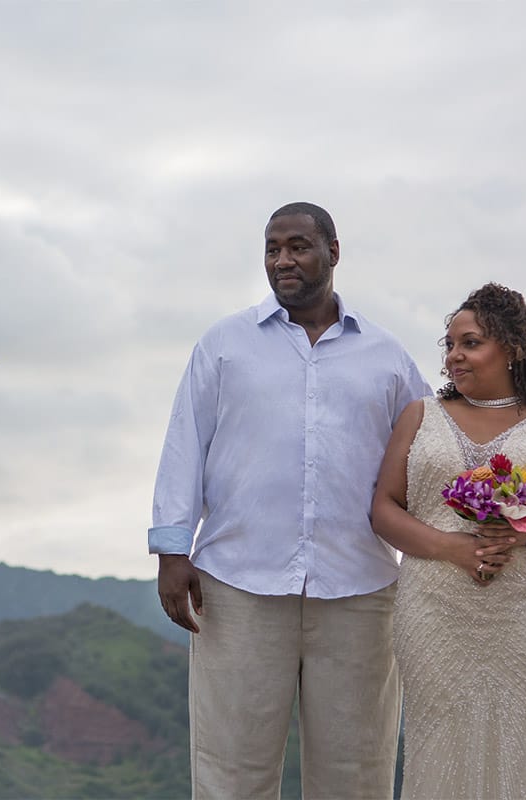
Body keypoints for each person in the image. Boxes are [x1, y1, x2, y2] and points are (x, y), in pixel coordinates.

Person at [150, 202, 432, 799]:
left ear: (333, 250)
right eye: (273, 248)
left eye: (299, 246)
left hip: (359, 588)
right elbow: (185, 444)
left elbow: (430, 454)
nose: (284, 260)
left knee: (357, 772)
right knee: (231, 768)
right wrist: (172, 552)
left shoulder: (386, 357)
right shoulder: (223, 344)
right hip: (237, 584)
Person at [371, 283, 526, 799]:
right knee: (440, 740)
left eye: (469, 343)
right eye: (449, 345)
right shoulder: (419, 416)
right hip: (435, 606)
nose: (454, 355)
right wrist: (450, 547)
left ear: (513, 348)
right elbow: (383, 509)